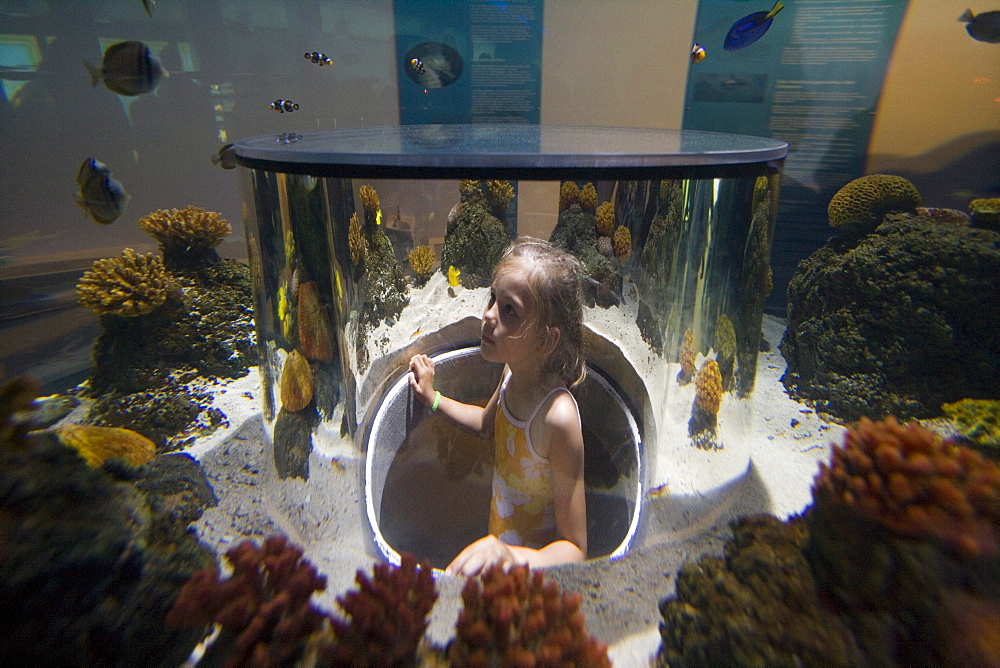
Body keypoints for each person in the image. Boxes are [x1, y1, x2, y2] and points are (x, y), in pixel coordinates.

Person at [408, 237, 588, 576]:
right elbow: (485, 424)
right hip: (498, 557)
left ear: (546, 340)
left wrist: (510, 556)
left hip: (531, 581)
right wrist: (433, 398)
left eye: (510, 310)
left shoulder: (557, 419)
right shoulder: (510, 374)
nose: (489, 315)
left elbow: (576, 549)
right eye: (493, 297)